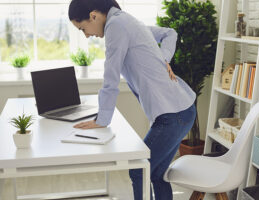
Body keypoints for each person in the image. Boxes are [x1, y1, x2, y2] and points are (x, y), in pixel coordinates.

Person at [68, 0, 196, 199]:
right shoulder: (126, 21)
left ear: (93, 16)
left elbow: (110, 76)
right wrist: (163, 59)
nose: (86, 35)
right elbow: (170, 33)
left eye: (83, 28)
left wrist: (101, 120)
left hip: (173, 116)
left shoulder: (116, 26)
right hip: (182, 110)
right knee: (157, 174)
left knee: (139, 169)